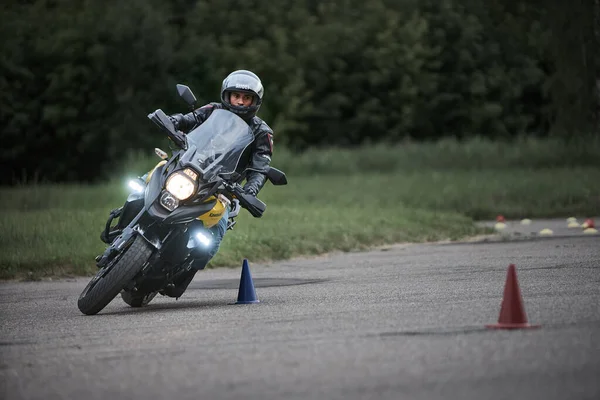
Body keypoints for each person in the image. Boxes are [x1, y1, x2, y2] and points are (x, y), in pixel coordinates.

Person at [117, 70, 274, 298]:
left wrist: (250, 190)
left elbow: (260, 168)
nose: (240, 101)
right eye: (236, 95)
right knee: (145, 182)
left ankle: (182, 275)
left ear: (255, 102)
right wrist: (173, 122)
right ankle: (122, 222)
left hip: (221, 188)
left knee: (213, 234)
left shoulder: (262, 133)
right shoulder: (213, 110)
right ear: (226, 95)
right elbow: (189, 119)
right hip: (187, 167)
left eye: (246, 97)